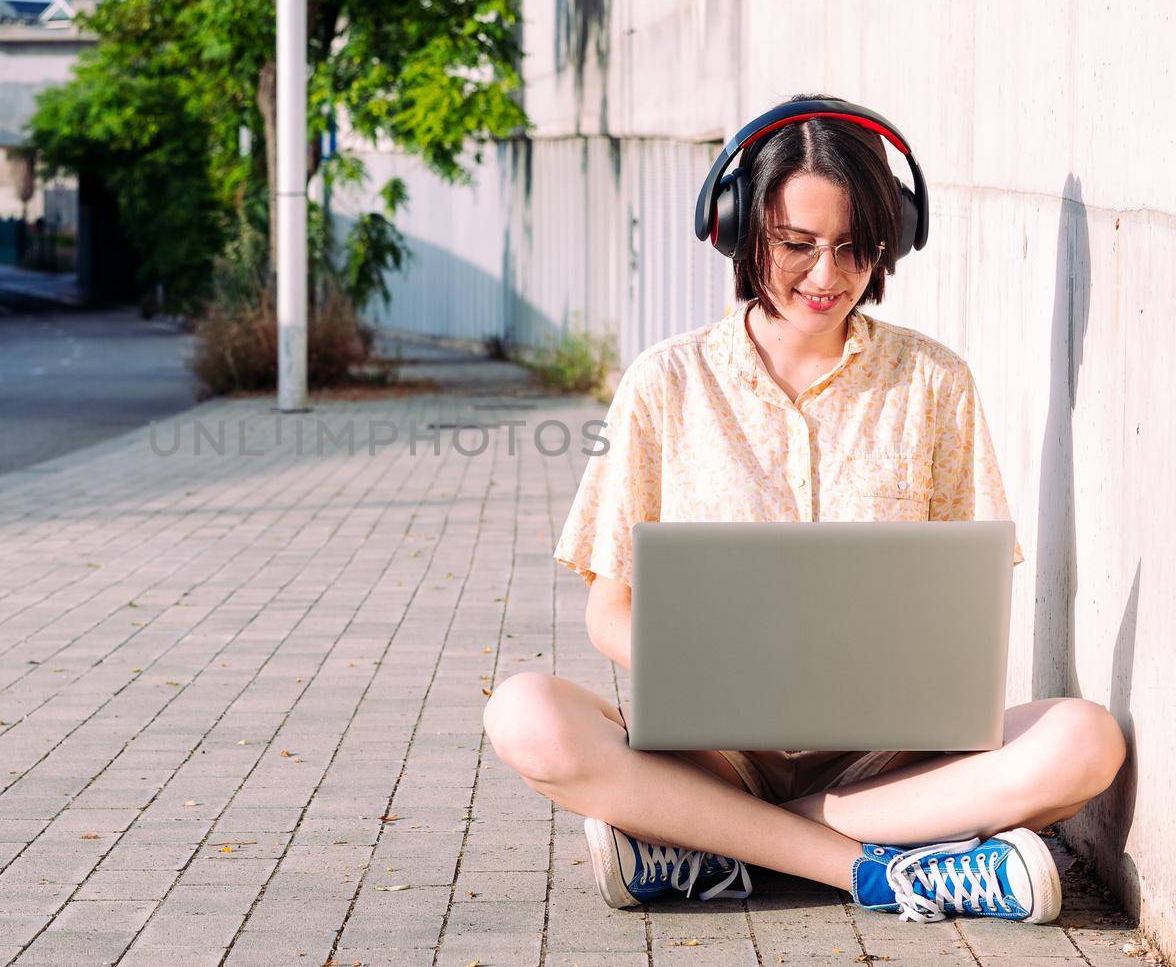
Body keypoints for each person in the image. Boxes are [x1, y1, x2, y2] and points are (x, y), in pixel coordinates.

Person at [482, 94, 1127, 924]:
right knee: (525, 714)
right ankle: (886, 872)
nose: (828, 276)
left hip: (890, 762)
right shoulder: (665, 383)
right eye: (797, 244)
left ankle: (706, 847)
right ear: (737, 227)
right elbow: (610, 609)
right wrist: (711, 666)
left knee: (1087, 742)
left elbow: (963, 607)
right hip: (715, 756)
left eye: (855, 247)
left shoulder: (935, 383)